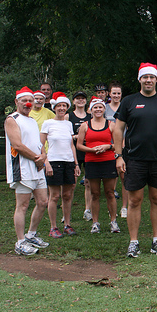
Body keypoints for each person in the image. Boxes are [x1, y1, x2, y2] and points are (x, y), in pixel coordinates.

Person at [113, 63, 157, 258]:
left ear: (155, 80)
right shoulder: (129, 101)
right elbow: (118, 129)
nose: (149, 80)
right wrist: (118, 156)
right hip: (134, 159)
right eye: (145, 77)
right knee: (134, 201)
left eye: (152, 77)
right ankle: (133, 242)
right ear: (139, 79)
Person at [5, 87, 50, 255]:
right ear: (17, 102)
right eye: (23, 101)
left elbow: (38, 144)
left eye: (29, 101)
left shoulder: (31, 120)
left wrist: (43, 156)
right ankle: (20, 241)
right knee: (23, 205)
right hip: (22, 169)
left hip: (37, 168)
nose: (27, 104)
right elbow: (17, 145)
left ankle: (31, 234)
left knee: (43, 202)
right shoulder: (12, 119)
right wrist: (37, 159)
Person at [40, 92, 80, 238]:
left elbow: (71, 145)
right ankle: (53, 227)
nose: (62, 108)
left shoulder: (68, 124)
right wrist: (46, 163)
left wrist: (76, 164)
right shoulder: (48, 123)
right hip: (54, 162)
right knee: (54, 196)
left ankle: (67, 224)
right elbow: (41, 145)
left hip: (68, 162)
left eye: (64, 106)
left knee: (67, 195)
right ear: (54, 107)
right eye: (59, 106)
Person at [78, 97, 120, 234]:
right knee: (94, 193)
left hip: (108, 162)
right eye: (95, 107)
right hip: (91, 162)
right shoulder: (85, 125)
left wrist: (108, 146)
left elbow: (120, 144)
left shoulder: (111, 125)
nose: (98, 110)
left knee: (110, 193)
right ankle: (95, 223)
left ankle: (113, 221)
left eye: (100, 107)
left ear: (104, 109)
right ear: (91, 109)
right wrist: (92, 150)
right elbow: (79, 145)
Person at [67, 91, 93, 221]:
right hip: (73, 152)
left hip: (88, 151)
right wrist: (76, 137)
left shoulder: (91, 116)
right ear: (74, 101)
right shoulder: (68, 117)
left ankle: (88, 210)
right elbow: (64, 135)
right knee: (72, 183)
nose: (80, 100)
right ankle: (68, 211)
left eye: (83, 98)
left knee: (88, 182)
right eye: (78, 98)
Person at [105, 82, 128, 219]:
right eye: (114, 93)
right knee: (110, 179)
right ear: (109, 94)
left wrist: (123, 144)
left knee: (124, 177)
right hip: (108, 147)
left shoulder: (125, 107)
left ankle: (124, 207)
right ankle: (111, 206)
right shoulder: (104, 108)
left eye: (118, 93)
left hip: (124, 147)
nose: (116, 95)